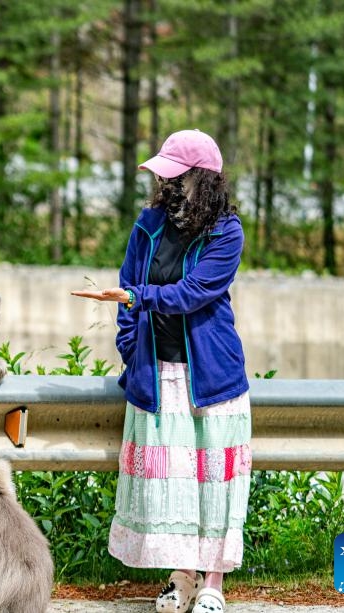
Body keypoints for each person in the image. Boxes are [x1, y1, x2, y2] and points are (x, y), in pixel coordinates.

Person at [72, 129, 250, 613]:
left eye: (178, 173)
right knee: (172, 480)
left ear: (203, 179)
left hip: (210, 377)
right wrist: (130, 344)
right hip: (158, 372)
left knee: (214, 479)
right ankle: (183, 576)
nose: (167, 181)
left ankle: (213, 580)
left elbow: (194, 293)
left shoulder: (227, 232)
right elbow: (127, 284)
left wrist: (137, 298)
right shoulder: (149, 223)